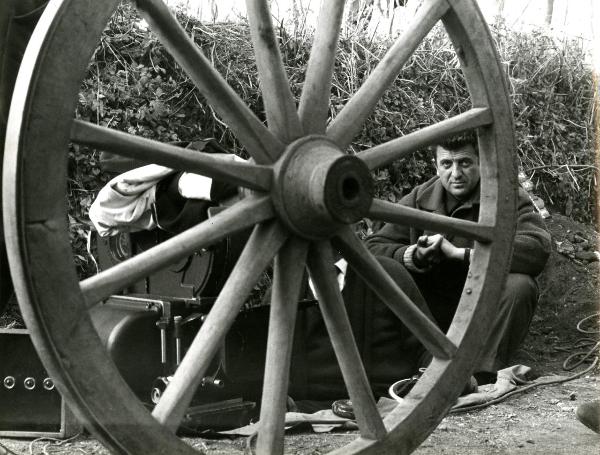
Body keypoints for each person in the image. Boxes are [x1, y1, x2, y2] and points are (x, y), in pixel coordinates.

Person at [364, 132, 552, 384]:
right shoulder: (420, 197)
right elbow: (373, 247)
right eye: (446, 164)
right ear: (436, 165)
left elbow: (537, 247)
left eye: (464, 162)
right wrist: (412, 256)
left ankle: (480, 373)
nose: (456, 173)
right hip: (430, 312)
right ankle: (413, 365)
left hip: (483, 311)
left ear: (480, 162)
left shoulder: (507, 196)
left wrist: (464, 255)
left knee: (520, 286)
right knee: (388, 275)